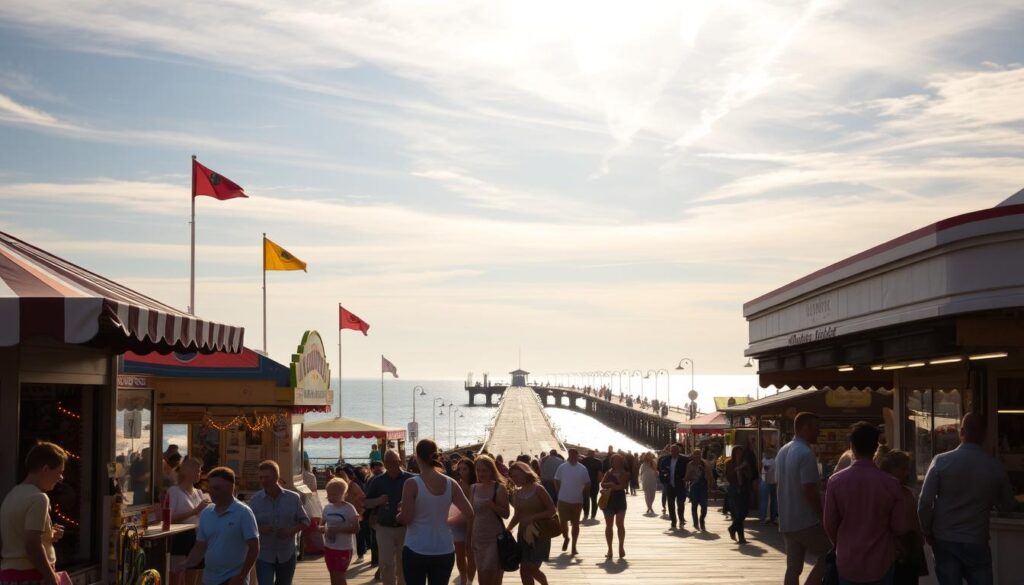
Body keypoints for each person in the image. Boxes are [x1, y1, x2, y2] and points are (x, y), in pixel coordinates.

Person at [918, 413, 1015, 585]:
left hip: (944, 539)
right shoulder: (995, 467)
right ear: (984, 435)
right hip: (976, 539)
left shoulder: (941, 461)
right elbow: (1007, 504)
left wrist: (926, 530)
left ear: (961, 431)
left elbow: (925, 502)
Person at [823, 422, 909, 585]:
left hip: (847, 560)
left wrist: (841, 543)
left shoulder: (836, 481)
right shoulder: (891, 484)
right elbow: (900, 526)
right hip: (882, 560)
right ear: (876, 447)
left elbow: (829, 524)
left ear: (852, 447)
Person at [398, 440, 474, 585]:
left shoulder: (412, 484)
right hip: (444, 549)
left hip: (416, 548)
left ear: (417, 456)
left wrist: (398, 514)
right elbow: (469, 513)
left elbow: (406, 518)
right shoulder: (451, 483)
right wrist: (447, 521)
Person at [178, 467, 260, 585]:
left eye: (216, 488)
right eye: (209, 487)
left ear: (230, 488)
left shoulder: (243, 513)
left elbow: (254, 548)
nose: (211, 492)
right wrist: (186, 564)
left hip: (233, 580)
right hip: (209, 580)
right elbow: (200, 547)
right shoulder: (206, 513)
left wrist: (241, 576)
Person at [1, 442, 67, 585]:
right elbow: (32, 544)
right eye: (59, 472)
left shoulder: (12, 494)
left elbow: (17, 535)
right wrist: (51, 578)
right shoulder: (39, 498)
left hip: (9, 575)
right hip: (31, 576)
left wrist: (48, 534)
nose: (61, 478)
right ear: (45, 469)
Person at [776, 412, 828, 585]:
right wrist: (821, 515)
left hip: (787, 519)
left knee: (793, 567)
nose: (818, 432)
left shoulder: (783, 451)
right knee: (829, 556)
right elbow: (809, 489)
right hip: (805, 520)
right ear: (804, 428)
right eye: (816, 428)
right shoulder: (806, 453)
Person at [248, 460, 309, 585]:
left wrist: (291, 531)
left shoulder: (293, 498)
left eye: (266, 477)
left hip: (287, 552)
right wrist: (260, 529)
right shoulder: (255, 500)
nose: (263, 481)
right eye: (261, 477)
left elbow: (305, 521)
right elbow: (248, 526)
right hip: (264, 554)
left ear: (276, 477)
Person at [877, 450, 928, 584]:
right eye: (903, 469)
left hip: (893, 555)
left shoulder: (905, 493)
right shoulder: (903, 494)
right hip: (899, 555)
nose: (906, 473)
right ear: (890, 469)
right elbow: (909, 525)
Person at [364, 450, 414, 585]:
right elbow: (366, 503)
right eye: (388, 462)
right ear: (384, 463)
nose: (392, 464)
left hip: (406, 528)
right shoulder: (377, 481)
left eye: (395, 461)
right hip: (384, 528)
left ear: (400, 461)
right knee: (386, 563)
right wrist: (378, 501)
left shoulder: (412, 479)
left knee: (404, 564)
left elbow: (423, 500)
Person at [506, 462, 555, 585]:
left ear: (525, 473)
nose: (513, 479)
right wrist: (508, 528)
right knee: (524, 570)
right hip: (523, 535)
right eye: (512, 476)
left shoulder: (538, 489)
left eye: (516, 476)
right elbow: (517, 515)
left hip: (540, 534)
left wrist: (533, 517)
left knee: (532, 568)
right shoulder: (517, 493)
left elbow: (552, 511)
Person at [167, 457, 211, 585]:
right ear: (188, 472)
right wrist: (195, 511)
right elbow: (169, 518)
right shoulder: (174, 491)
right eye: (197, 471)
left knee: (193, 579)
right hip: (180, 539)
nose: (200, 474)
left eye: (200, 470)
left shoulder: (199, 492)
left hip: (197, 539)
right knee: (176, 578)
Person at [470, 456, 510, 585]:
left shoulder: (499, 488)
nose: (481, 474)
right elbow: (471, 515)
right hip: (478, 537)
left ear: (491, 470)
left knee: (491, 577)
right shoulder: (473, 488)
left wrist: (493, 506)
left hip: (494, 538)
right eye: (478, 470)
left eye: (485, 470)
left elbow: (506, 514)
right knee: (482, 578)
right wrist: (469, 538)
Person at [321, 478, 360, 585]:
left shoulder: (349, 509)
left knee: (339, 576)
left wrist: (337, 530)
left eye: (334, 495)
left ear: (343, 494)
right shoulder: (327, 508)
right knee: (333, 576)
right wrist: (322, 529)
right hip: (329, 547)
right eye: (328, 494)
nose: (330, 497)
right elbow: (321, 524)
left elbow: (356, 529)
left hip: (343, 548)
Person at [553, 448, 590, 556]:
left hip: (577, 500)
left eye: (575, 455)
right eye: (571, 454)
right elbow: (556, 480)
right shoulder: (562, 467)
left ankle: (574, 546)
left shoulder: (582, 468)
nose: (573, 456)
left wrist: (585, 494)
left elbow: (587, 483)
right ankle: (566, 537)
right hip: (563, 499)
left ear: (577, 455)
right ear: (569, 455)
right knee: (562, 523)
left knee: (575, 524)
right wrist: (559, 492)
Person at [452, 458, 476, 585]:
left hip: (472, 523)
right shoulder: (457, 484)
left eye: (465, 469)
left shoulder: (475, 486)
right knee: (460, 555)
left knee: (471, 554)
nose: (461, 472)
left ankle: (469, 581)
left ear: (471, 470)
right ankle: (463, 579)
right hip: (457, 522)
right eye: (459, 469)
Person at [600, 454, 628, 559]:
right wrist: (611, 484)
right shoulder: (608, 472)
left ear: (621, 461)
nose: (616, 462)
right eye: (614, 461)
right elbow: (602, 484)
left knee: (620, 524)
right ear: (612, 462)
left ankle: (621, 547)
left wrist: (612, 485)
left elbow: (623, 486)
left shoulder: (625, 473)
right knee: (609, 525)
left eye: (618, 460)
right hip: (609, 500)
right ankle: (610, 549)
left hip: (620, 500)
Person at [657, 444, 689, 529]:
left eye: (675, 450)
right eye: (672, 451)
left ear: (679, 451)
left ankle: (681, 519)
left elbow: (691, 464)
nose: (673, 452)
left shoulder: (684, 459)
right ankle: (673, 521)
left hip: (680, 485)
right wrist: (663, 481)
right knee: (670, 504)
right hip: (669, 485)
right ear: (670, 451)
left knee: (680, 503)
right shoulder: (665, 460)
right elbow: (661, 471)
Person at [726, 446, 753, 544]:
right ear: (733, 453)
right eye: (737, 452)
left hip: (744, 489)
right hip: (734, 489)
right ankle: (741, 538)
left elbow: (750, 476)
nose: (739, 454)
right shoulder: (729, 463)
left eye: (740, 452)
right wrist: (737, 469)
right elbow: (728, 476)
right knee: (738, 513)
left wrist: (744, 469)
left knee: (744, 512)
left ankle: (732, 528)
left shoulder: (745, 463)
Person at [685, 449, 713, 531]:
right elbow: (687, 477)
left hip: (703, 487)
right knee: (694, 506)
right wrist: (691, 476)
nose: (697, 456)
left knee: (704, 506)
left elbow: (710, 476)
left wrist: (710, 488)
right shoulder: (690, 464)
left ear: (701, 455)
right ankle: (695, 522)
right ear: (692, 455)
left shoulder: (705, 464)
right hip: (694, 487)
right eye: (695, 454)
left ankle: (702, 520)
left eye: (699, 454)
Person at [580, 450, 603, 521]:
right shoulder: (598, 462)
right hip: (594, 483)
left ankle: (586, 514)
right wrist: (599, 482)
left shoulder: (582, 461)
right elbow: (599, 474)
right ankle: (593, 515)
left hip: (585, 483)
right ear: (593, 454)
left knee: (585, 499)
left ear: (587, 454)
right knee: (594, 499)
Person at [760, 447, 778, 525]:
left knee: (764, 501)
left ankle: (764, 518)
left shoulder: (765, 461)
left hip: (765, 482)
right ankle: (773, 518)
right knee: (773, 501)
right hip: (774, 482)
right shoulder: (774, 461)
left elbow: (766, 470)